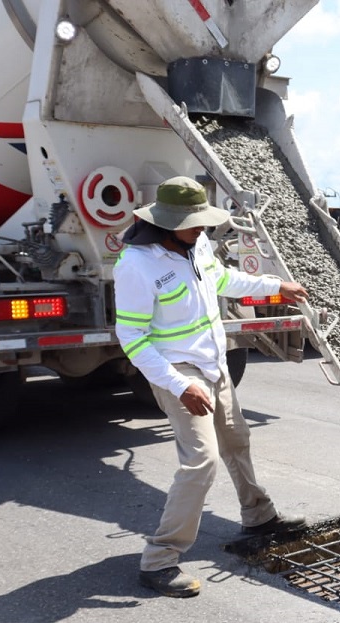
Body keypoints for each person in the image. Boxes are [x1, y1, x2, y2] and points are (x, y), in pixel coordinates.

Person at [114, 176, 309, 598]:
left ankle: (258, 515)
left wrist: (277, 287)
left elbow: (223, 280)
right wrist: (179, 384)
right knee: (201, 462)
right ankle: (159, 559)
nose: (202, 230)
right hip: (177, 370)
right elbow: (132, 339)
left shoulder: (196, 245)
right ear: (166, 223)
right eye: (194, 224)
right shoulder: (136, 265)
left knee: (237, 438)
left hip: (214, 363)